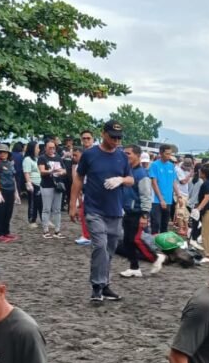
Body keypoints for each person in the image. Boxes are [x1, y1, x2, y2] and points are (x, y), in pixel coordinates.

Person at [70, 121, 134, 303]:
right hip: (94, 209)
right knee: (99, 246)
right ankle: (97, 286)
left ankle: (104, 285)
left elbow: (131, 179)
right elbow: (79, 178)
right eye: (113, 136)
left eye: (119, 137)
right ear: (103, 134)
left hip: (115, 210)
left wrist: (121, 179)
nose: (116, 140)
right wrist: (73, 205)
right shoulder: (90, 155)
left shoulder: (122, 157)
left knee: (110, 249)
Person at [117, 145, 156, 278]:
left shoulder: (142, 174)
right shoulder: (127, 172)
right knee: (128, 241)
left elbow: (146, 196)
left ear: (138, 156)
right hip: (128, 211)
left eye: (128, 154)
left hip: (138, 213)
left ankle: (157, 258)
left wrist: (145, 215)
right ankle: (134, 267)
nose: (125, 156)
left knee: (134, 240)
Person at [37, 140, 66, 239]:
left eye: (53, 147)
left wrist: (61, 172)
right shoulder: (42, 158)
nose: (52, 149)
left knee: (57, 209)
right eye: (49, 147)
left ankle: (57, 231)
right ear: (45, 148)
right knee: (46, 209)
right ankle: (45, 230)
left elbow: (64, 169)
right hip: (46, 185)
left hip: (57, 185)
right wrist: (52, 170)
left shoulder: (58, 158)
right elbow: (42, 171)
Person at [192, 165, 209, 264]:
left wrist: (198, 208)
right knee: (207, 233)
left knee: (207, 234)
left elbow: (207, 197)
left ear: (203, 173)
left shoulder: (206, 184)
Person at [0, 143, 19, 242]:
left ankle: (6, 232)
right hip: (1, 191)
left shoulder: (10, 163)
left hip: (10, 190)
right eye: (0, 152)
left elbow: (13, 178)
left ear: (8, 153)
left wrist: (16, 192)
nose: (2, 154)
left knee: (8, 213)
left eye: (4, 152)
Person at [150, 144, 179, 234]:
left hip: (168, 200)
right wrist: (161, 199)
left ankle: (163, 246)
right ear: (161, 153)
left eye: (170, 154)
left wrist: (179, 195)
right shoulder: (155, 165)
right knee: (156, 224)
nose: (169, 156)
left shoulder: (171, 166)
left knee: (164, 225)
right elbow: (154, 183)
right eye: (167, 154)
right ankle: (153, 246)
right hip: (156, 200)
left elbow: (173, 182)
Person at [21, 140, 41, 228]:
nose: (39, 150)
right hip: (33, 183)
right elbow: (26, 173)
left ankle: (44, 219)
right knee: (33, 202)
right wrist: (29, 183)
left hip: (40, 183)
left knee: (41, 202)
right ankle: (32, 220)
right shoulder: (27, 159)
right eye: (37, 148)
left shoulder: (37, 159)